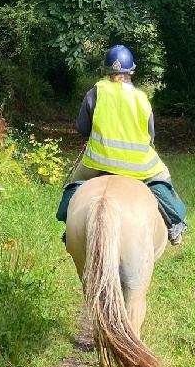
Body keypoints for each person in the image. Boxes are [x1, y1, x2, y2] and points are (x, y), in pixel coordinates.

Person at [56, 44, 187, 245]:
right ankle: (175, 224)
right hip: (140, 166)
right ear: (131, 72)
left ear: (106, 70)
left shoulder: (95, 92)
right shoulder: (141, 98)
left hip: (98, 162)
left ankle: (69, 227)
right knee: (164, 178)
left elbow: (82, 128)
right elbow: (151, 136)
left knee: (74, 183)